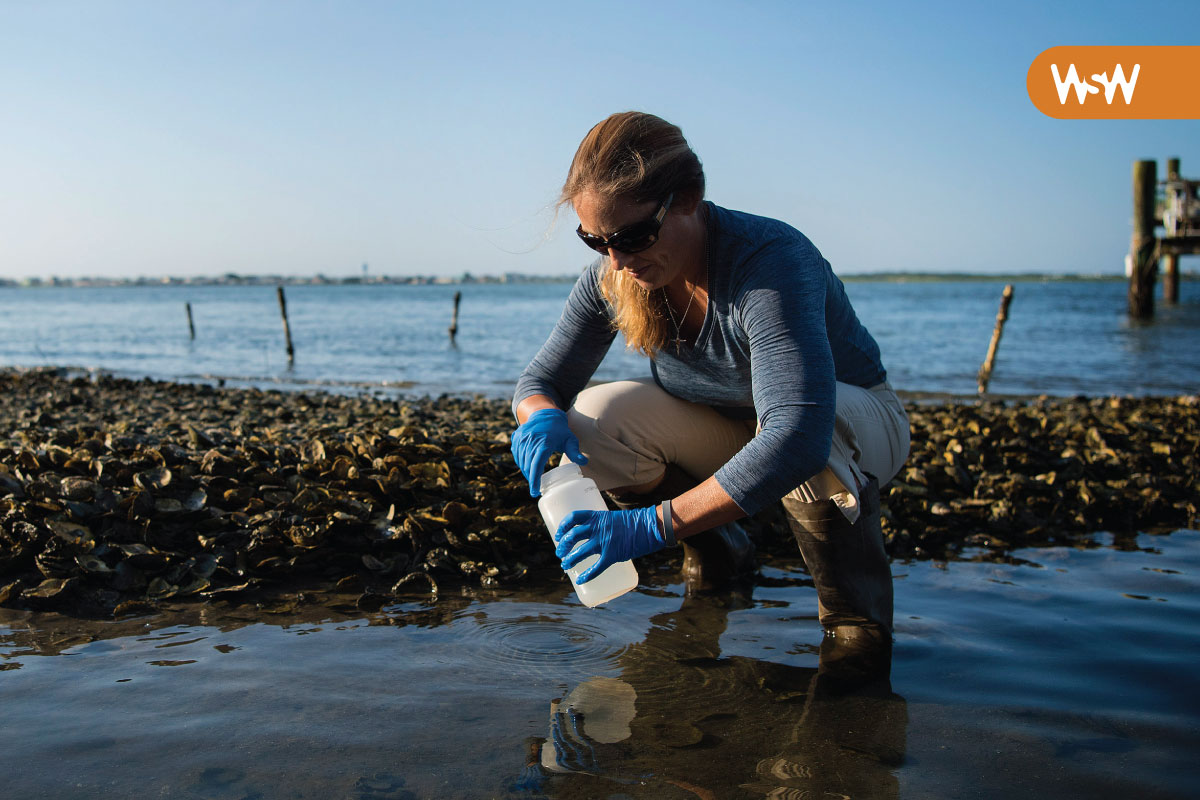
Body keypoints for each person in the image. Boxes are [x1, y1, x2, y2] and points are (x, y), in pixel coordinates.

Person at [510, 111, 909, 649]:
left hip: (856, 429)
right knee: (591, 420)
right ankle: (719, 547)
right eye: (595, 240)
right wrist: (540, 418)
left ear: (690, 196)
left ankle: (853, 623)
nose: (619, 260)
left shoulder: (769, 261)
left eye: (634, 234)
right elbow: (540, 381)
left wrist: (652, 525)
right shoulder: (616, 271)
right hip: (731, 428)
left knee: (818, 424)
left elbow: (797, 433)